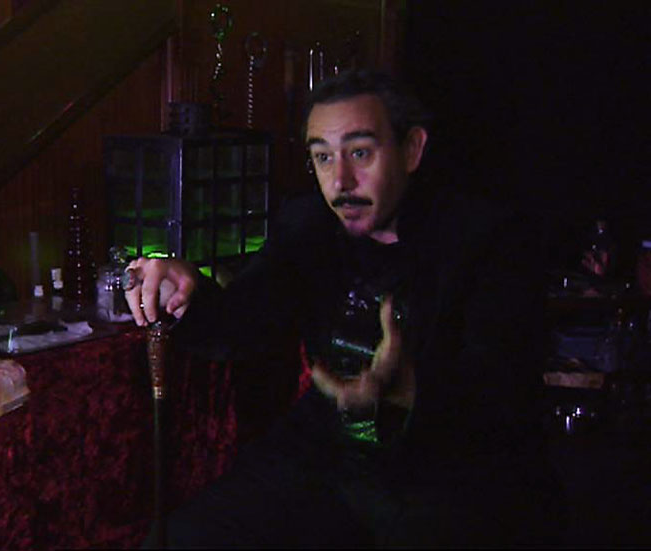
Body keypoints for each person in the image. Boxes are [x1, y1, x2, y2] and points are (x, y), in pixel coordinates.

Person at [124, 69, 564, 547]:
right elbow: (244, 321)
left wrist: (409, 390)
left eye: (360, 153)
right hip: (329, 450)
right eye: (323, 157)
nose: (340, 181)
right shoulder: (307, 225)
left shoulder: (487, 240)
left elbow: (503, 389)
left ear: (412, 149)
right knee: (181, 539)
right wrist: (187, 292)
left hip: (450, 467)